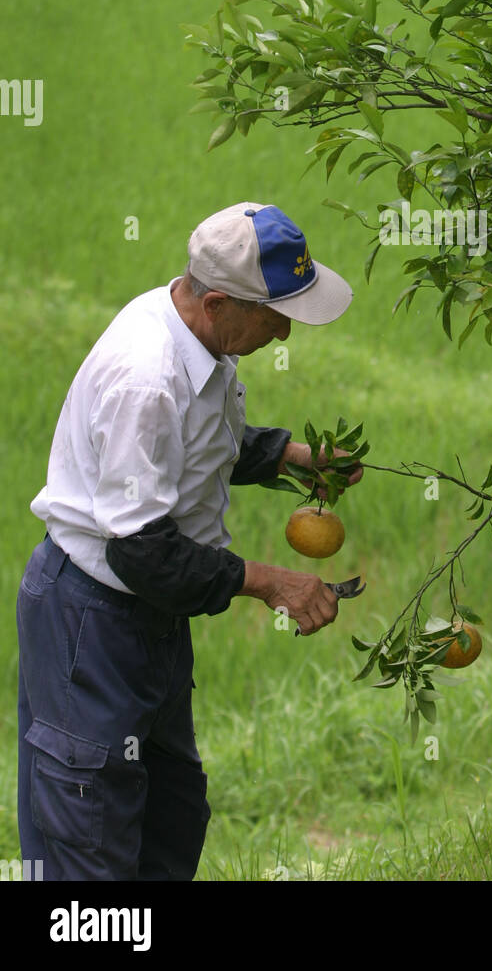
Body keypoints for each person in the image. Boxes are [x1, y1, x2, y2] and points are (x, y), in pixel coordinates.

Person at [17, 201, 363, 882]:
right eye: (274, 316)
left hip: (153, 620)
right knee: (91, 838)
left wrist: (291, 455)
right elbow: (141, 550)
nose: (286, 328)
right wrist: (272, 582)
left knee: (169, 818)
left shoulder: (195, 334)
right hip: (94, 621)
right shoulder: (145, 377)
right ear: (216, 302)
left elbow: (199, 445)